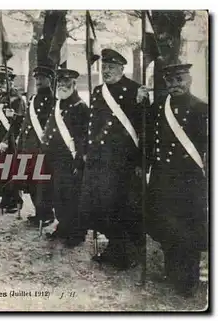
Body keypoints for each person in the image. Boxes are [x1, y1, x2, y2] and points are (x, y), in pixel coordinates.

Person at [79, 48, 149, 270]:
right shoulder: (99, 91)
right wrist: (87, 151)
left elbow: (143, 129)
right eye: (104, 67)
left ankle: (127, 252)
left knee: (124, 207)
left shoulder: (135, 90)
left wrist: (141, 162)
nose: (106, 71)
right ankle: (114, 248)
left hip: (124, 162)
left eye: (111, 67)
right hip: (101, 161)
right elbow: (93, 125)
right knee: (104, 206)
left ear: (122, 68)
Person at [146, 63, 208, 297]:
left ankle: (188, 279)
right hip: (163, 177)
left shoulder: (202, 108)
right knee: (166, 225)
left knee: (188, 229)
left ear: (189, 80)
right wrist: (142, 99)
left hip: (189, 180)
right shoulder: (160, 107)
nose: (175, 85)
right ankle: (171, 271)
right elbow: (147, 133)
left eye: (179, 80)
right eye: (170, 81)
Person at [37, 69, 89, 247]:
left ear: (74, 85)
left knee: (72, 196)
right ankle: (63, 226)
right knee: (58, 195)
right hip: (54, 158)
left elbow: (83, 136)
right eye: (59, 83)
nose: (62, 86)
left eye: (66, 83)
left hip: (70, 159)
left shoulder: (80, 107)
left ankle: (76, 233)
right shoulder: (57, 105)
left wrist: (79, 159)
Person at [1, 65, 55, 223]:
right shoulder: (33, 99)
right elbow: (27, 120)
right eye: (36, 78)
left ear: (50, 80)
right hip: (27, 148)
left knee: (41, 184)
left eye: (42, 78)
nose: (38, 81)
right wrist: (16, 118)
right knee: (30, 182)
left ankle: (46, 215)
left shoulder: (52, 101)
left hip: (41, 149)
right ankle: (39, 213)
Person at [0, 66, 26, 213]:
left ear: (11, 81)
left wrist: (6, 140)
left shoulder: (17, 99)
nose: (1, 83)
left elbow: (18, 123)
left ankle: (15, 202)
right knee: (1, 170)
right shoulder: (2, 97)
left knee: (10, 171)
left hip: (8, 140)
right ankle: (5, 199)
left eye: (4, 80)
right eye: (0, 80)